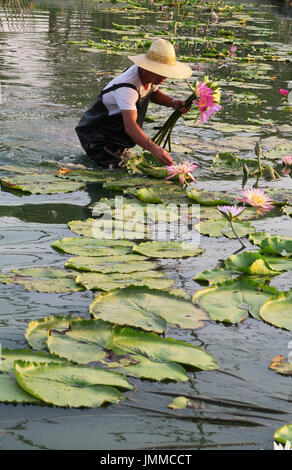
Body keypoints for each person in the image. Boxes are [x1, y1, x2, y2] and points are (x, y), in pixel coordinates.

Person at [75, 38, 192, 168]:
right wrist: (155, 149)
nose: (164, 77)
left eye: (165, 72)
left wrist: (173, 102)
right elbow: (130, 126)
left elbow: (152, 93)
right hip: (98, 138)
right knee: (119, 176)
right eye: (161, 72)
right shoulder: (127, 88)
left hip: (115, 137)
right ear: (148, 67)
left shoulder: (148, 77)